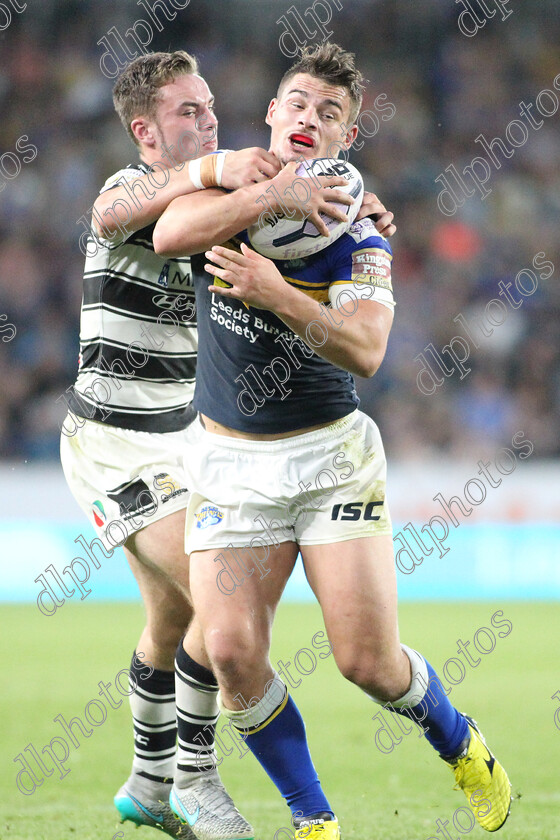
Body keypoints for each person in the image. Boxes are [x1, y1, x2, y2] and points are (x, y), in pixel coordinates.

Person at [153, 43, 512, 840]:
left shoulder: (361, 234)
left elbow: (367, 351)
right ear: (273, 116)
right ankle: (314, 820)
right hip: (228, 461)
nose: (311, 119)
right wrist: (261, 198)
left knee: (366, 663)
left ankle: (460, 742)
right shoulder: (224, 176)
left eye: (331, 113)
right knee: (232, 651)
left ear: (346, 138)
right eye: (300, 105)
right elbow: (173, 233)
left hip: (327, 461)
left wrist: (277, 294)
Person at [60, 50, 395, 840]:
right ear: (145, 131)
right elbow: (112, 217)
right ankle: (196, 781)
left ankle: (147, 784)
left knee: (173, 625)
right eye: (187, 113)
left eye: (210, 107)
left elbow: (297, 230)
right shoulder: (131, 186)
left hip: (190, 442)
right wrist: (251, 180)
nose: (209, 122)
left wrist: (356, 214)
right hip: (114, 445)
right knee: (220, 619)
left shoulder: (230, 194)